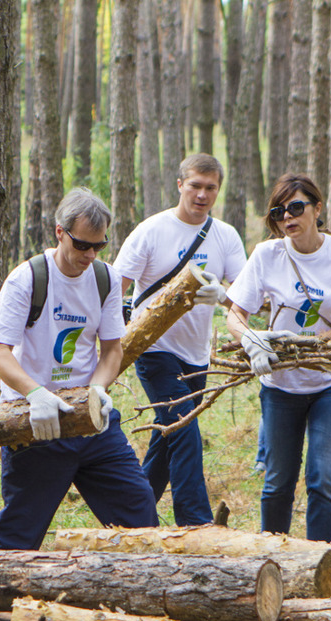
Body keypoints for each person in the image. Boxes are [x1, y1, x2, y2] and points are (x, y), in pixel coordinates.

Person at [0, 188, 159, 550]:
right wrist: (36, 394)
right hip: (36, 424)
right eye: (82, 245)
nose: (90, 255)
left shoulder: (105, 279)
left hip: (91, 421)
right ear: (60, 232)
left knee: (140, 515)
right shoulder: (28, 278)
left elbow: (112, 349)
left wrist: (97, 389)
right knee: (19, 533)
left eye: (99, 246)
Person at [226, 173, 331, 543]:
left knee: (322, 478)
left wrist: (315, 345)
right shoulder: (266, 255)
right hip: (281, 383)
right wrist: (252, 340)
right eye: (278, 212)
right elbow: (235, 314)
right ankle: (272, 560)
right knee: (277, 482)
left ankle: (320, 560)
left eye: (296, 207)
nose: (287, 217)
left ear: (317, 208)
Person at [112, 154, 247, 526]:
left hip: (196, 355)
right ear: (179, 185)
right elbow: (114, 287)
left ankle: (131, 515)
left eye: (210, 188)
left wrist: (221, 294)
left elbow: (245, 294)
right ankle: (195, 521)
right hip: (152, 346)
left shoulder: (226, 236)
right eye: (195, 186)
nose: (202, 195)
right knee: (183, 426)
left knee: (166, 433)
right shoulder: (151, 230)